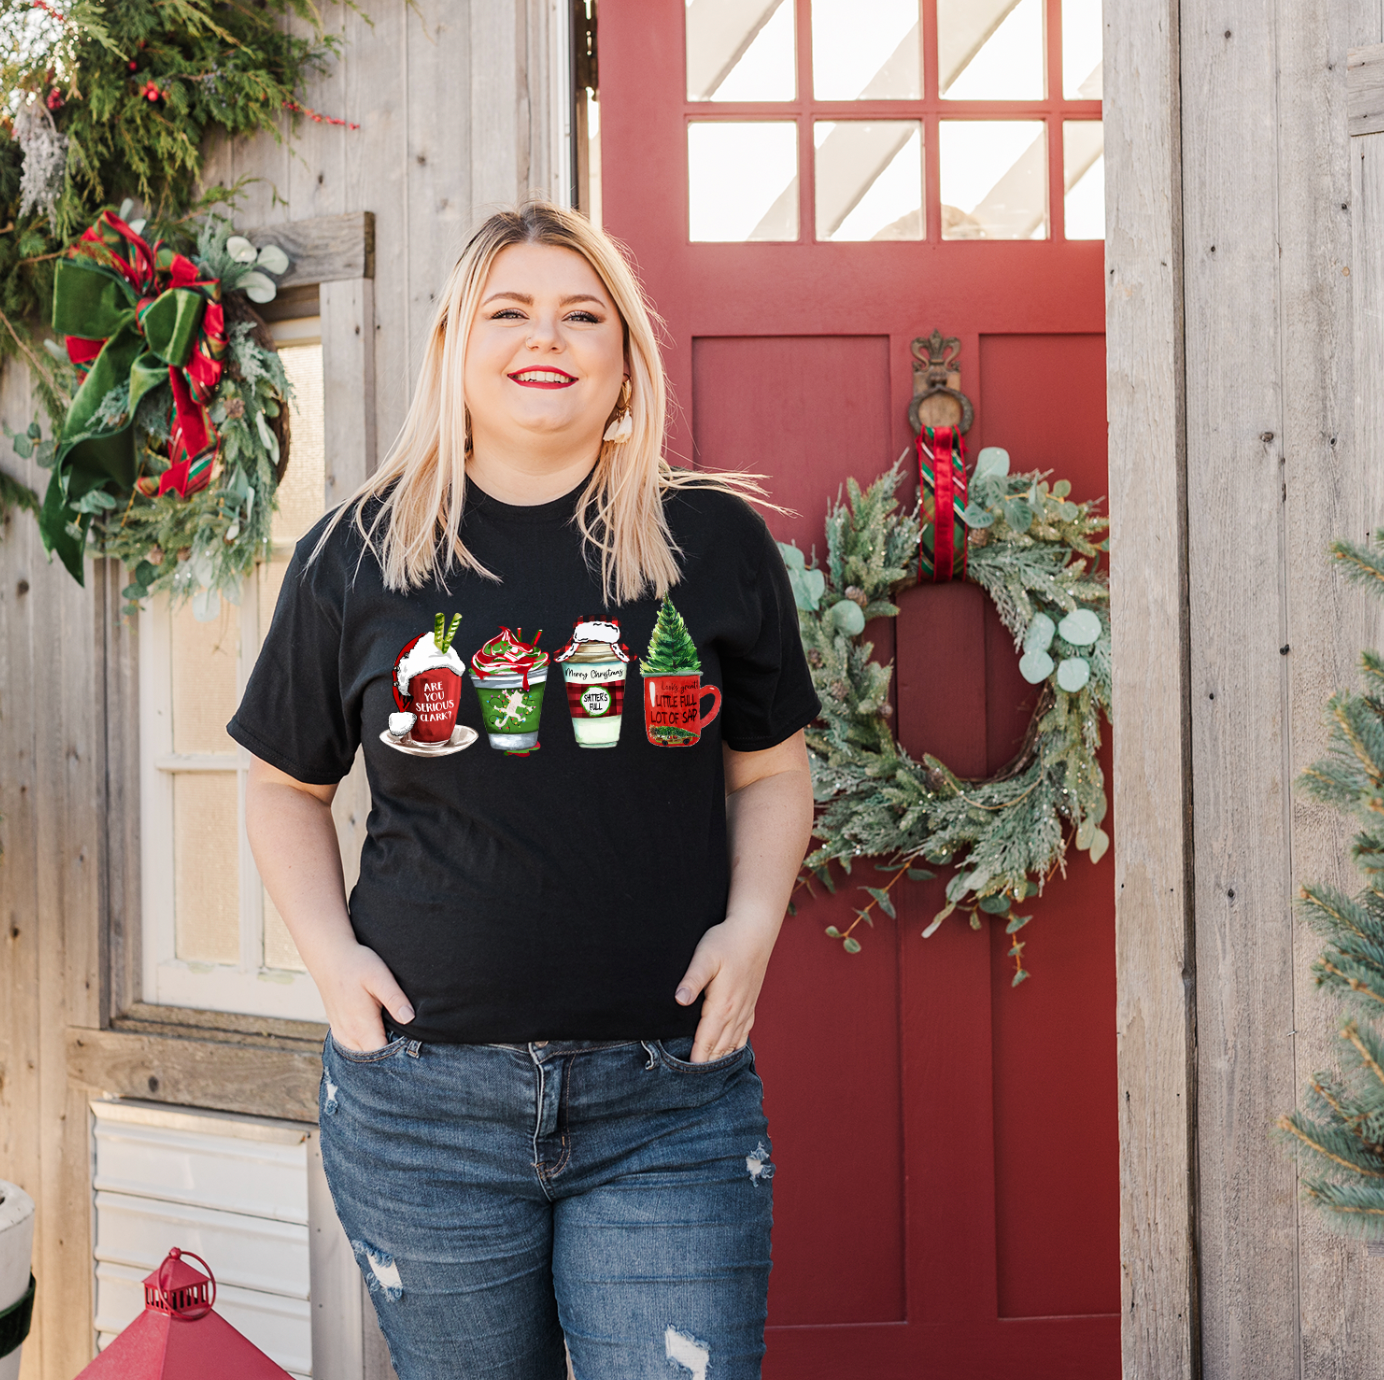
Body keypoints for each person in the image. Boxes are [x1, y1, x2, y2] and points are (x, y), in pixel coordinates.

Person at [230, 200, 819, 1380]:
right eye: (509, 311)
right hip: (421, 1108)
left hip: (669, 1101)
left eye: (580, 314)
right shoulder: (355, 551)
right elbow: (282, 785)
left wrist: (753, 928)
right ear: (455, 343)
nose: (543, 336)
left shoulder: (710, 543)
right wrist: (333, 967)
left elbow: (770, 771)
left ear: (621, 360)